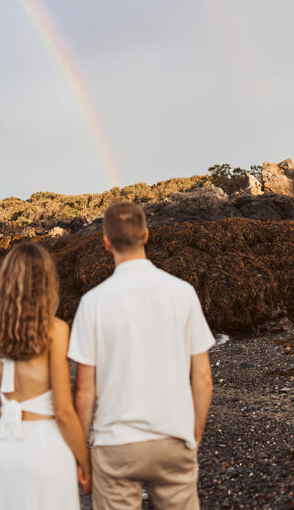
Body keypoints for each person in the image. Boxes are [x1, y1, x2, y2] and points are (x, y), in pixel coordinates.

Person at [69, 201, 214, 510]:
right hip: (173, 436)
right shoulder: (183, 292)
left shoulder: (92, 303)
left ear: (106, 241)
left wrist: (82, 456)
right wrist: (194, 434)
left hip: (116, 444)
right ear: (146, 235)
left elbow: (83, 392)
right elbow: (202, 379)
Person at [0, 242, 91, 509]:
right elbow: (63, 411)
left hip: (3, 448)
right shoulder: (55, 330)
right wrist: (85, 461)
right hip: (45, 446)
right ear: (45, 282)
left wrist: (7, 440)